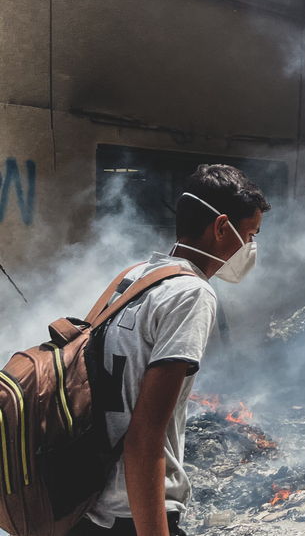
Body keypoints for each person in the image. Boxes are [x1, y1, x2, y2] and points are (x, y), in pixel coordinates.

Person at [72, 164, 270, 536]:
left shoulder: (134, 277)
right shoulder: (191, 293)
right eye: (250, 234)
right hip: (130, 511)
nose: (251, 247)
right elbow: (145, 434)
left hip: (88, 504)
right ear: (221, 227)